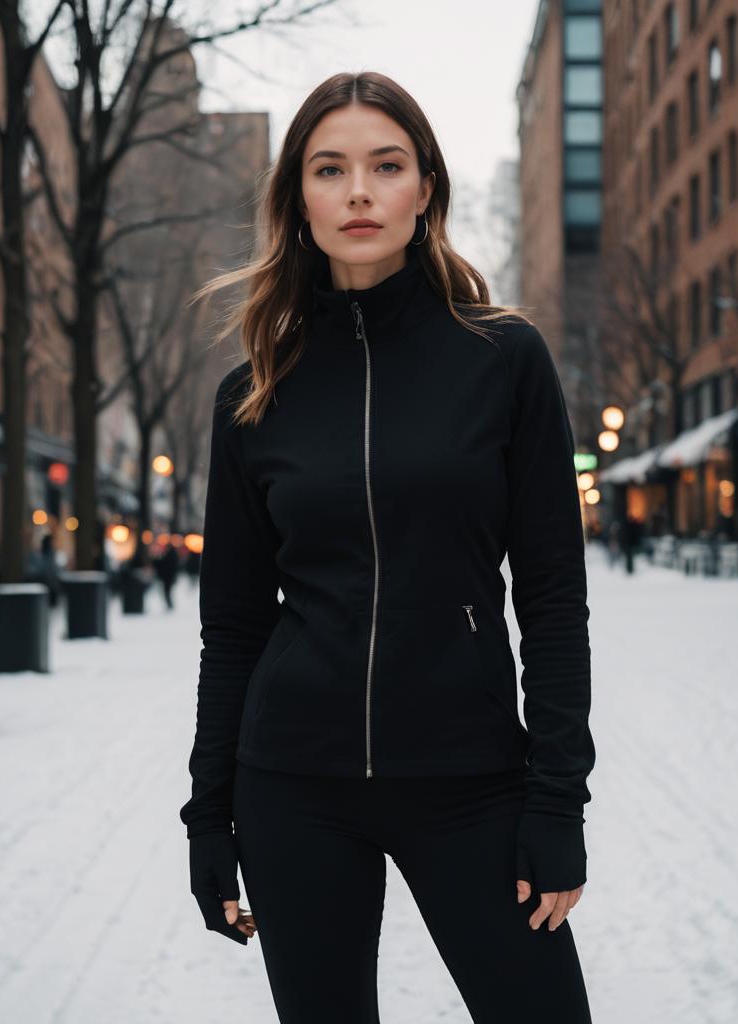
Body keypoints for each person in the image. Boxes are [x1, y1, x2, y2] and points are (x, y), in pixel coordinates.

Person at [178, 72, 595, 1023]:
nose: (359, 191)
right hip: (293, 786)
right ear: (299, 201)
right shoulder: (254, 393)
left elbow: (554, 601)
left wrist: (557, 801)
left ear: (426, 189)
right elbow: (232, 628)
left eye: (387, 165)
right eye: (330, 169)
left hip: (471, 779)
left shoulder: (504, 359)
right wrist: (209, 816)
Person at [154, 542, 181, 609]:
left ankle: (169, 605)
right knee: (167, 592)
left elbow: (165, 564)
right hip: (169, 577)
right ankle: (169, 605)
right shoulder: (173, 554)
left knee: (167, 592)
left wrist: (156, 561)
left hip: (168, 577)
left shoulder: (170, 555)